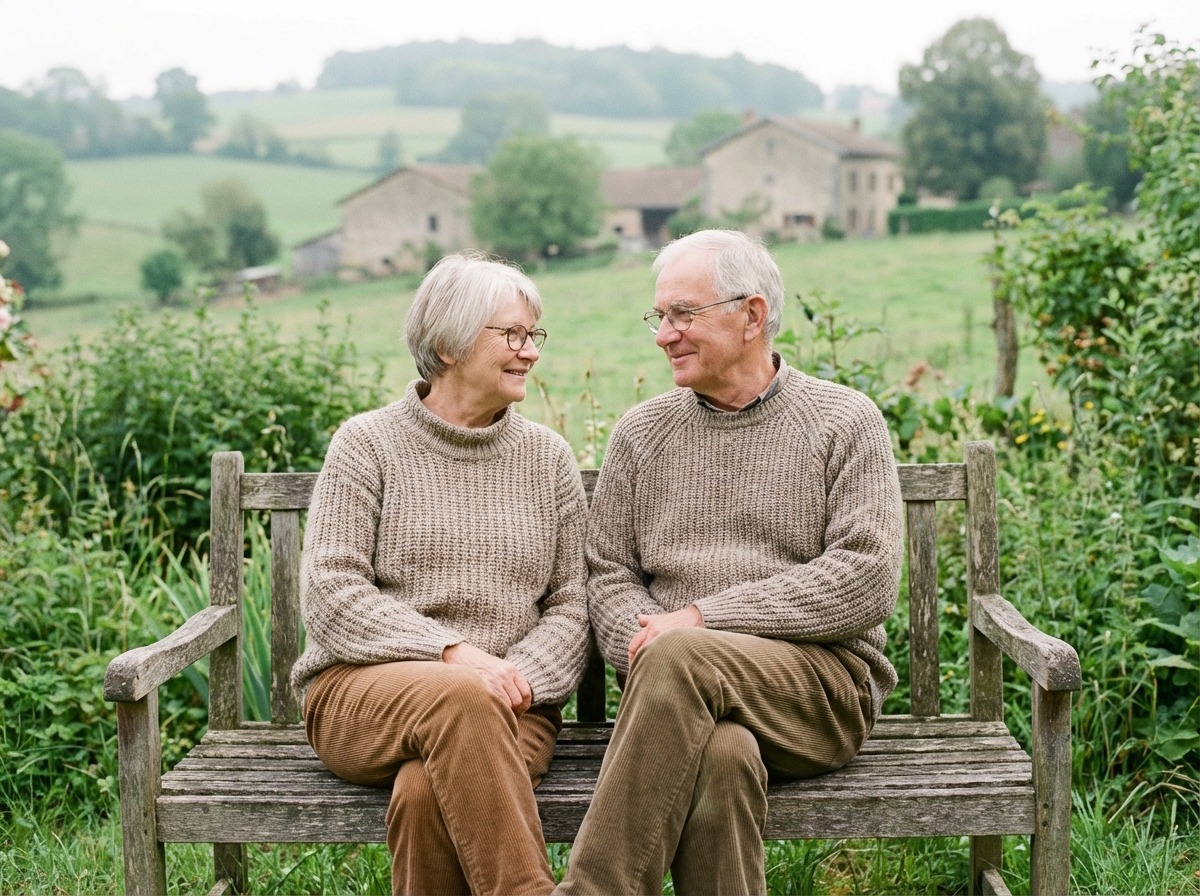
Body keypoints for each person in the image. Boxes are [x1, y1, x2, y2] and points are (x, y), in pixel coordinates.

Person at [558, 229, 904, 895]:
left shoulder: (844, 421)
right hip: (677, 696)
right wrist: (651, 653)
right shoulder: (642, 434)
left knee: (683, 654)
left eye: (683, 314)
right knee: (723, 756)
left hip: (818, 691)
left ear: (751, 316)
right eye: (659, 317)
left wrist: (699, 620)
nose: (664, 334)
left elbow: (865, 577)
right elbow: (608, 572)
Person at [292, 252, 589, 896]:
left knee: (424, 792)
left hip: (515, 708)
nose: (529, 351)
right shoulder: (367, 444)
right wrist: (454, 655)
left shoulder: (547, 459)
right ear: (449, 343)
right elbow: (332, 592)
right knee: (460, 694)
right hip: (362, 694)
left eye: (533, 335)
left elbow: (572, 606)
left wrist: (516, 678)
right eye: (511, 334)